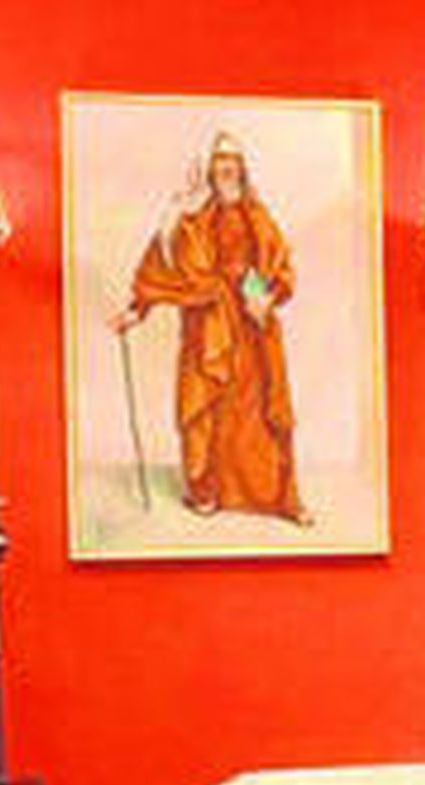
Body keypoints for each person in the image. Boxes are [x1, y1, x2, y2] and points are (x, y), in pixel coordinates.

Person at [112, 132, 303, 522]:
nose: (227, 170)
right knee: (205, 408)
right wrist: (137, 309)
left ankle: (276, 498)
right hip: (209, 324)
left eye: (233, 163)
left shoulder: (260, 217)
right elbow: (165, 266)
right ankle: (206, 489)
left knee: (259, 409)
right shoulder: (194, 223)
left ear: (243, 170)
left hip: (253, 323)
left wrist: (267, 296)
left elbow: (281, 268)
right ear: (210, 173)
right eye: (219, 164)